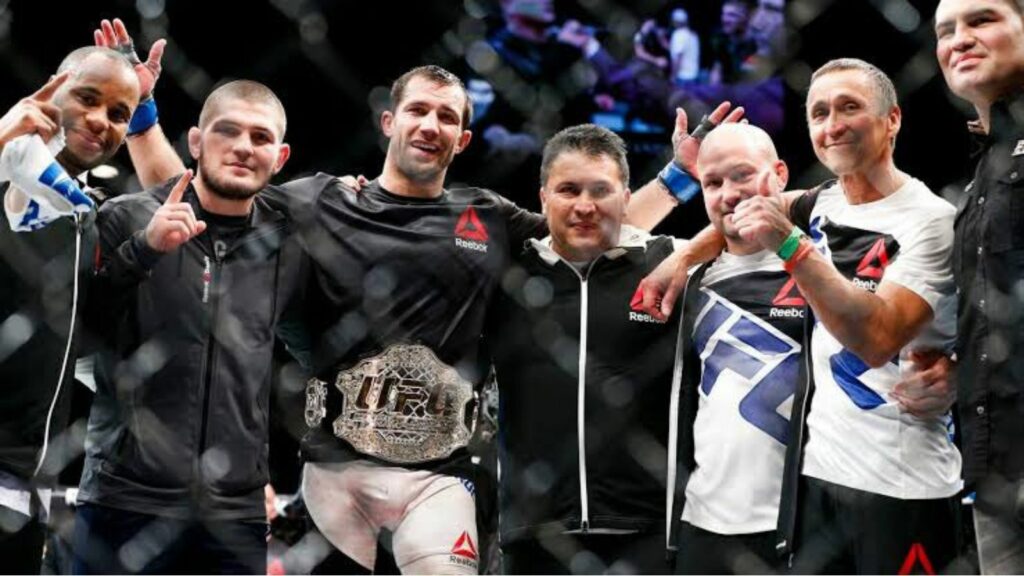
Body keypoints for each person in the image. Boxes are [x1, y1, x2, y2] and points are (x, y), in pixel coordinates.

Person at [279, 64, 739, 574]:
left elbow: (588, 230)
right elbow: (220, 200)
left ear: (463, 137)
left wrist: (678, 181)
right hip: (337, 459)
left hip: (442, 474)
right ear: (388, 121)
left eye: (446, 115)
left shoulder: (486, 219)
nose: (431, 124)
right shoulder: (321, 199)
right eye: (418, 110)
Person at [72, 80, 301, 574]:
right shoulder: (126, 218)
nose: (243, 147)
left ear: (279, 157)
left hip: (233, 515)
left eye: (260, 138)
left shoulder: (288, 242)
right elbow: (77, 334)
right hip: (125, 499)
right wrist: (143, 251)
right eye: (228, 131)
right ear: (195, 142)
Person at [0, 34, 179, 572]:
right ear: (52, 90)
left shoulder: (87, 217)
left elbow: (185, 199)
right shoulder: (6, 162)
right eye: (87, 98)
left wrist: (146, 118)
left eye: (118, 113)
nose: (101, 119)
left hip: (25, 480)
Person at [488, 124, 679, 574]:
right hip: (533, 532)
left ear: (627, 198)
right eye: (568, 190)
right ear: (543, 199)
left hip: (646, 530)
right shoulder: (507, 277)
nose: (585, 206)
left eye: (601, 190)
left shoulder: (668, 263)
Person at [667, 123, 802, 575]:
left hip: (802, 520)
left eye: (743, 175)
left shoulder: (825, 261)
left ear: (780, 174)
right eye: (712, 182)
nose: (729, 194)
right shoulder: (688, 282)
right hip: (705, 523)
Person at [934, 0, 1024, 571]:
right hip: (992, 465)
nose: (959, 40)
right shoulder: (985, 166)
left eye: (981, 19)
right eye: (946, 31)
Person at [670, 8, 701, 86]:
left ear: (676, 21)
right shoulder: (693, 35)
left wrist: (673, 76)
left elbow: (678, 58)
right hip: (694, 76)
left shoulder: (678, 35)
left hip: (683, 78)